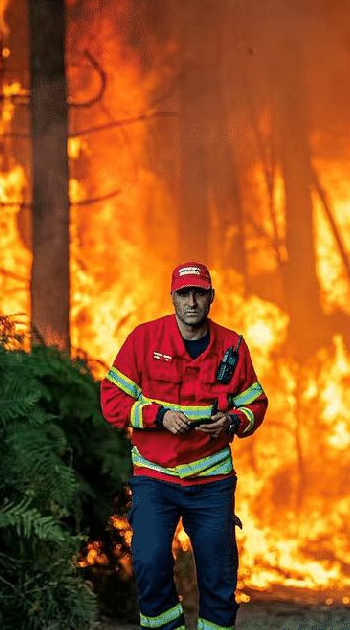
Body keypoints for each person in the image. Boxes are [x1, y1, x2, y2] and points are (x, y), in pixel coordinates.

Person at [101, 261, 268, 630]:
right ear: (172, 298)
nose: (192, 302)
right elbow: (112, 401)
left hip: (211, 482)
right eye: (184, 294)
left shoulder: (232, 346)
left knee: (219, 578)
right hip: (155, 477)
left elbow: (255, 403)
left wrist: (232, 421)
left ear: (211, 297)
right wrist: (158, 416)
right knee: (149, 561)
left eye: (199, 293)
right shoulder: (144, 340)